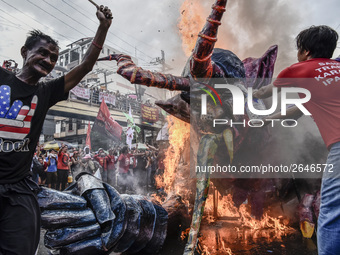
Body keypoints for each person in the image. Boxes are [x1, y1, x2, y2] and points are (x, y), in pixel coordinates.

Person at [0, 4, 112, 254]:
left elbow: (85, 66)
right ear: (24, 52)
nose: (49, 61)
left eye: (53, 58)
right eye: (43, 53)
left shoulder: (46, 92)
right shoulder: (2, 78)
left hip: (18, 192)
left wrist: (103, 28)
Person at [254, 25, 339, 255]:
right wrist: (267, 120)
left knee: (330, 213)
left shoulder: (299, 70)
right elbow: (298, 110)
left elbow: (264, 92)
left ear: (305, 50)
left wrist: (242, 93)